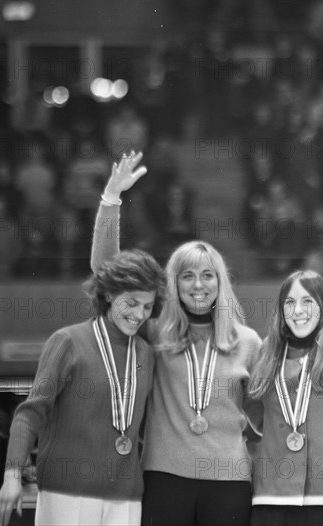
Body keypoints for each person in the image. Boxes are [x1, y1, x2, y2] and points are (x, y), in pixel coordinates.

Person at [91, 152, 263, 526]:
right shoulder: (155, 332)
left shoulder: (248, 342)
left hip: (230, 483)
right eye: (187, 276)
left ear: (221, 282)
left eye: (207, 275)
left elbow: (269, 419)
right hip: (164, 479)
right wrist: (111, 200)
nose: (198, 285)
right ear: (174, 283)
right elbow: (109, 274)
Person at [0, 250, 166, 526]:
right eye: (131, 303)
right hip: (66, 493)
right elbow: (29, 415)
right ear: (108, 294)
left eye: (147, 307)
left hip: (126, 496)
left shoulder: (146, 353)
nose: (138, 315)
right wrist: (12, 475)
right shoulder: (67, 342)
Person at [250, 270, 323, 526]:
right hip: (271, 495)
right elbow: (254, 412)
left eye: (307, 301)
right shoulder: (267, 352)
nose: (297, 310)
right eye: (289, 302)